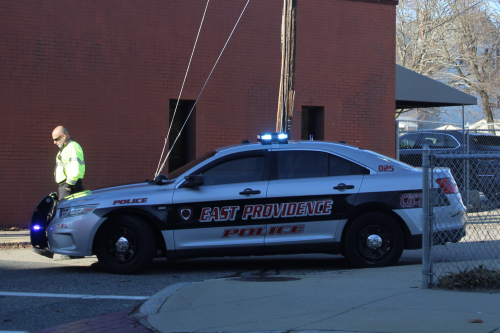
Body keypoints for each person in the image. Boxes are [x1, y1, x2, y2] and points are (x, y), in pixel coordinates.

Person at [52, 126, 85, 199]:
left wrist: (68, 184)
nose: (54, 142)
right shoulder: (66, 148)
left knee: (66, 209)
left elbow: (75, 167)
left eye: (56, 139)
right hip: (66, 186)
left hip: (69, 187)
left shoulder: (72, 147)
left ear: (63, 136)